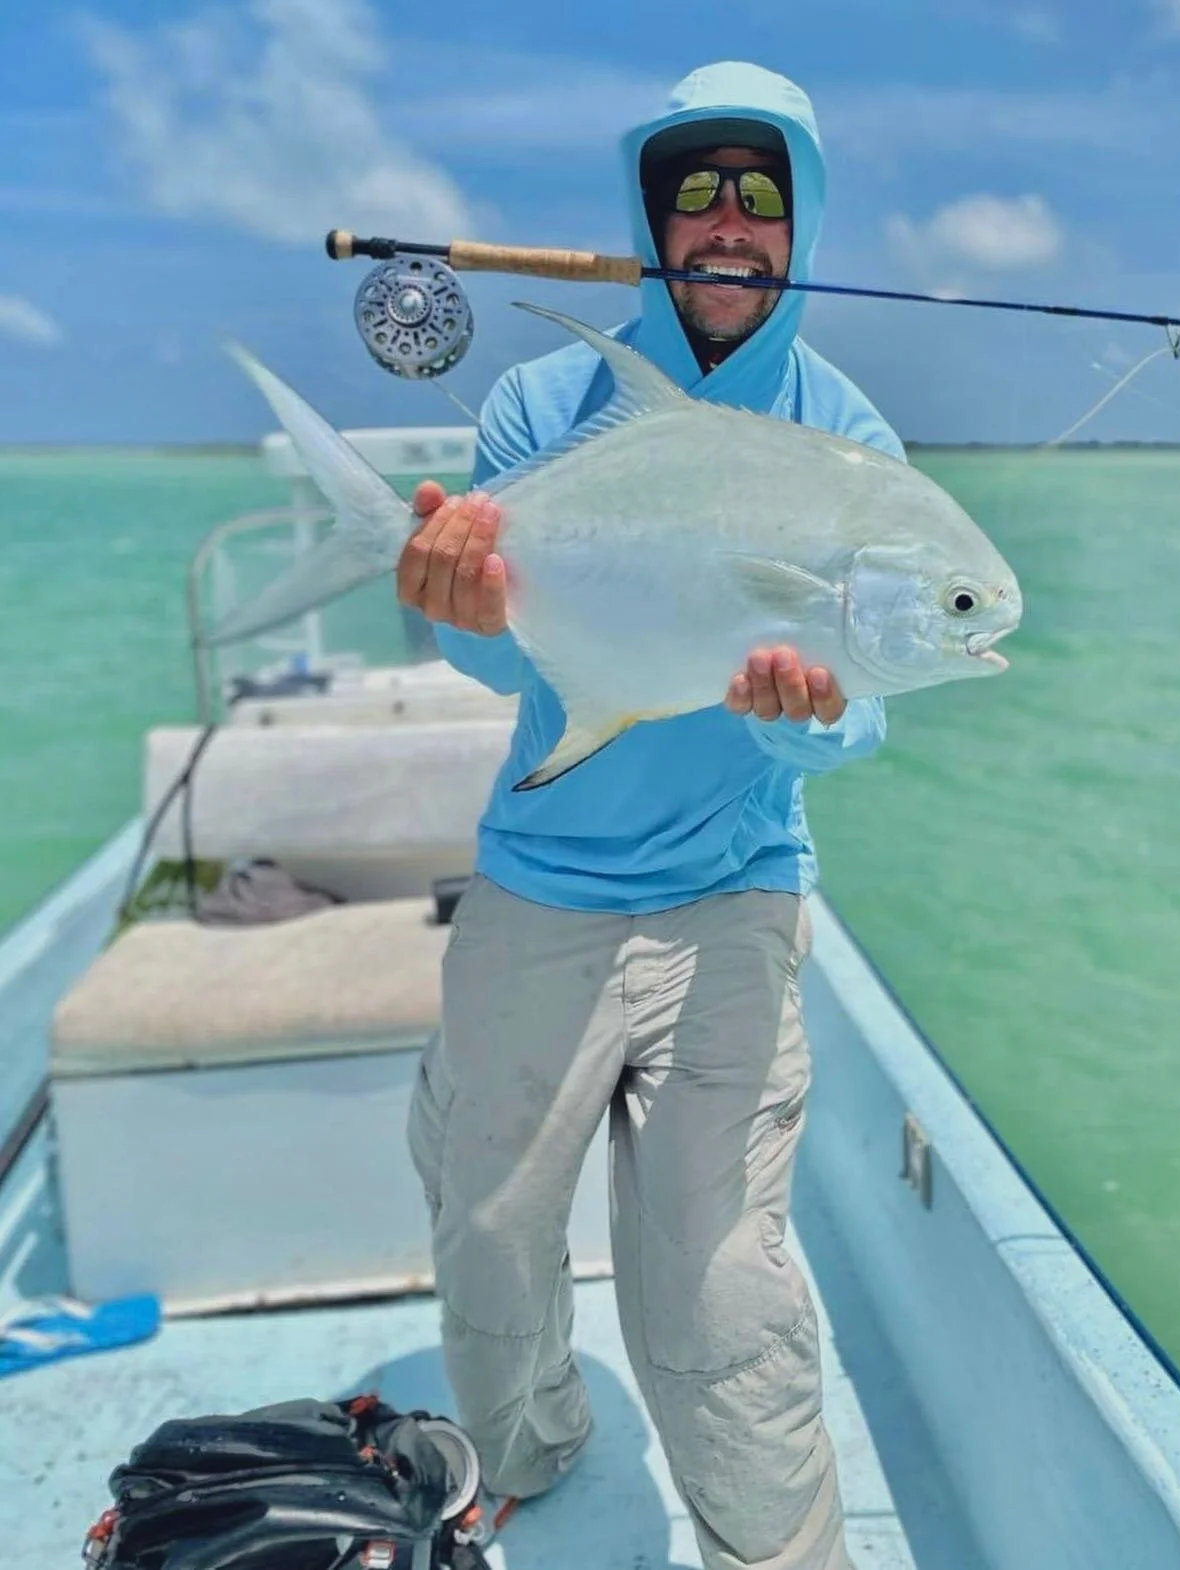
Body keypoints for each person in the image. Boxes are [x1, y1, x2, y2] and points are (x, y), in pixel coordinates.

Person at [397, 61, 906, 1570]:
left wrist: (815, 718)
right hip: (542, 875)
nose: (730, 220)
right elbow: (501, 655)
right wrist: (454, 607)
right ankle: (534, 1449)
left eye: (762, 190)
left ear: (801, 214)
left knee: (718, 1292)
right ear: (654, 217)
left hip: (734, 887)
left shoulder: (850, 434)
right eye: (697, 190)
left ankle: (778, 1548)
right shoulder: (544, 404)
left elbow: (867, 698)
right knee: (488, 1243)